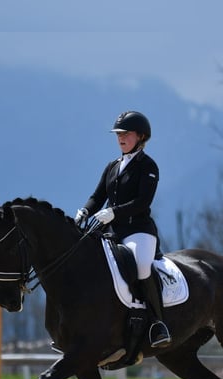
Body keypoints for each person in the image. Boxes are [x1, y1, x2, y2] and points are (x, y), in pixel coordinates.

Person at [75, 110, 171, 348]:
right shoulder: (113, 166)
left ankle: (156, 324)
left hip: (138, 230)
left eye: (126, 134)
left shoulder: (148, 166)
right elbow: (98, 196)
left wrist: (114, 212)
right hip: (110, 231)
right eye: (118, 134)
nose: (120, 138)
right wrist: (85, 210)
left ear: (141, 136)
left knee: (140, 266)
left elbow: (142, 202)